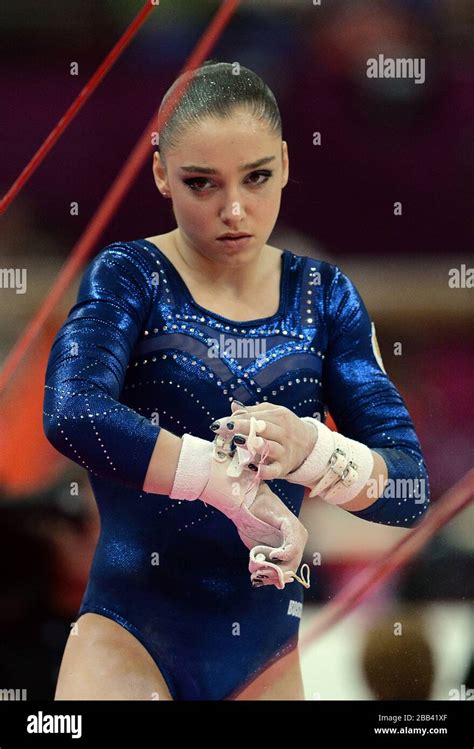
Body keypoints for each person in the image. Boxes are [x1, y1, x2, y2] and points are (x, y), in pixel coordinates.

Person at [43, 60, 430, 701]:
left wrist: (314, 452)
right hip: (129, 638)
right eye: (202, 183)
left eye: (257, 177)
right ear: (162, 171)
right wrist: (220, 480)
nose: (234, 210)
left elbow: (410, 486)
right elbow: (72, 411)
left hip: (265, 660)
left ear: (284, 160)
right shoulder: (130, 275)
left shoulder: (323, 295)